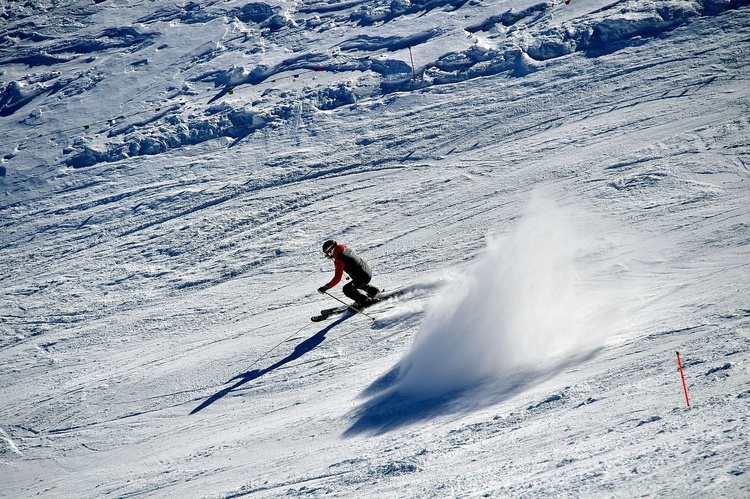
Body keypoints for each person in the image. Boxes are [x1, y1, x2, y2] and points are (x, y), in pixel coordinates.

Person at [317, 240, 380, 307]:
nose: (327, 255)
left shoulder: (340, 260)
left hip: (363, 277)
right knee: (357, 283)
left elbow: (337, 278)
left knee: (347, 289)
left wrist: (326, 287)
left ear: (331, 250)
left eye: (328, 253)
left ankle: (365, 301)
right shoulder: (344, 248)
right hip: (366, 271)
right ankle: (374, 291)